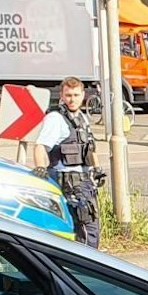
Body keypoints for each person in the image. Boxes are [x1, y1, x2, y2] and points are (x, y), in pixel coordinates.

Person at [36, 77, 100, 247]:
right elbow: (40, 146)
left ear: (83, 95)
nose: (72, 99)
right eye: (68, 95)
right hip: (67, 182)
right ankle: (86, 260)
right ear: (62, 96)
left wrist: (97, 169)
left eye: (76, 95)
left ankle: (86, 258)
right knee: (85, 227)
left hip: (84, 182)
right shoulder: (56, 118)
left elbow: (90, 147)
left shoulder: (81, 118)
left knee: (89, 226)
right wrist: (40, 167)